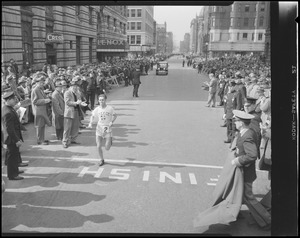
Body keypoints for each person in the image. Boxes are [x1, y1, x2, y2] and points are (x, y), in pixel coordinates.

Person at [231, 110, 271, 230]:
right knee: (241, 194)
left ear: (242, 123)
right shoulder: (246, 132)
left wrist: (237, 160)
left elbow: (251, 155)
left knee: (249, 197)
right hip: (245, 172)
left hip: (246, 172)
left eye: (236, 120)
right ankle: (235, 213)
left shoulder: (247, 135)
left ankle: (266, 220)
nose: (234, 122)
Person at [87, 94, 117, 166]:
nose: (101, 101)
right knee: (98, 146)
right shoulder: (97, 109)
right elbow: (92, 116)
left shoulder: (110, 108)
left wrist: (111, 121)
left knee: (107, 148)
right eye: (100, 100)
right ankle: (101, 159)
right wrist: (90, 123)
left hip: (107, 129)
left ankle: (110, 142)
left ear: (105, 100)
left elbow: (115, 115)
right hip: (99, 128)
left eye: (102, 100)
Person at [2, 91, 25, 180]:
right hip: (11, 138)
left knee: (14, 155)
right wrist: (16, 140)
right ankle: (12, 175)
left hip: (12, 137)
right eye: (13, 99)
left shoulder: (8, 108)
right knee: (12, 156)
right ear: (8, 100)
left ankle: (15, 170)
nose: (15, 100)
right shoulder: (8, 112)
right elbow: (9, 129)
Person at [62, 76, 83, 148]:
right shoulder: (67, 92)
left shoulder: (77, 93)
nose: (75, 88)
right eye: (73, 86)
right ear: (70, 87)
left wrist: (81, 103)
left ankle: (73, 139)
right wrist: (76, 103)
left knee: (75, 127)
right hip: (69, 112)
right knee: (67, 128)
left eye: (76, 86)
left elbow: (79, 100)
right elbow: (67, 102)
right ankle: (65, 141)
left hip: (76, 111)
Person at [31, 75, 52, 145]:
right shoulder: (35, 90)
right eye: (40, 83)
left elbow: (42, 97)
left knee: (42, 125)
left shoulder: (40, 89)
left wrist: (48, 97)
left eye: (43, 82)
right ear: (37, 82)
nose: (42, 84)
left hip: (42, 110)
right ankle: (40, 140)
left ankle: (42, 139)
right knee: (39, 126)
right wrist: (45, 100)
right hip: (38, 111)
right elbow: (35, 101)